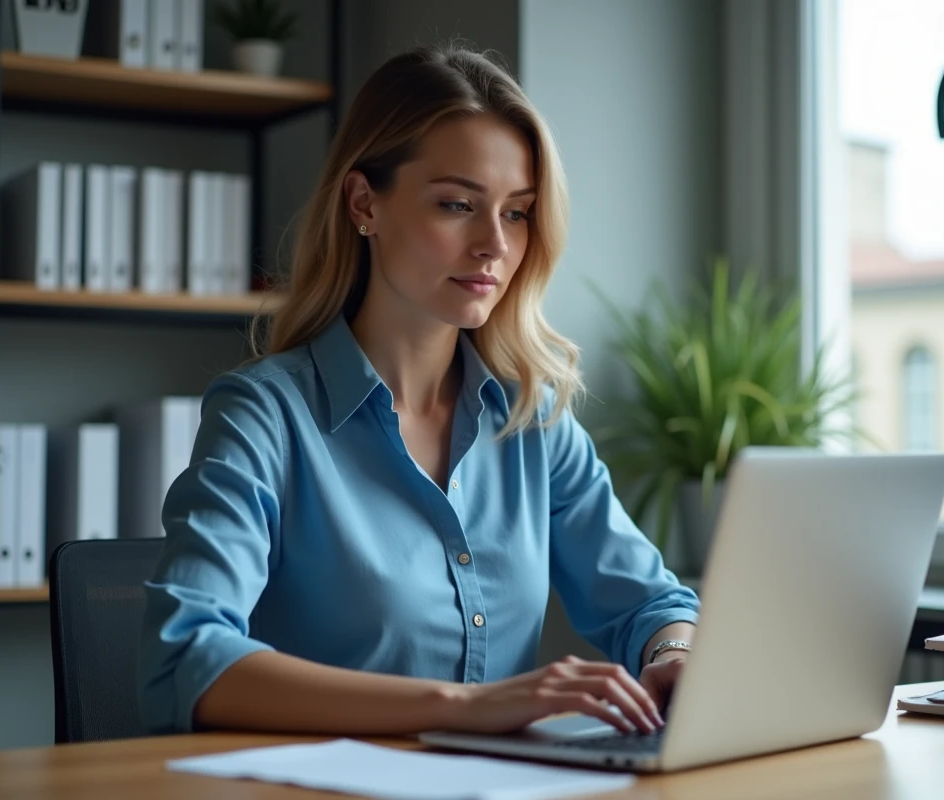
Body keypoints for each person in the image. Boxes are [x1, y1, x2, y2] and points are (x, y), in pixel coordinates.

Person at [137, 43, 700, 739]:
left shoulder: (534, 422)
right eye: (458, 204)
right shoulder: (266, 416)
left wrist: (672, 651)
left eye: (517, 212)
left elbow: (653, 602)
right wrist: (466, 707)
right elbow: (188, 655)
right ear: (364, 202)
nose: (494, 244)